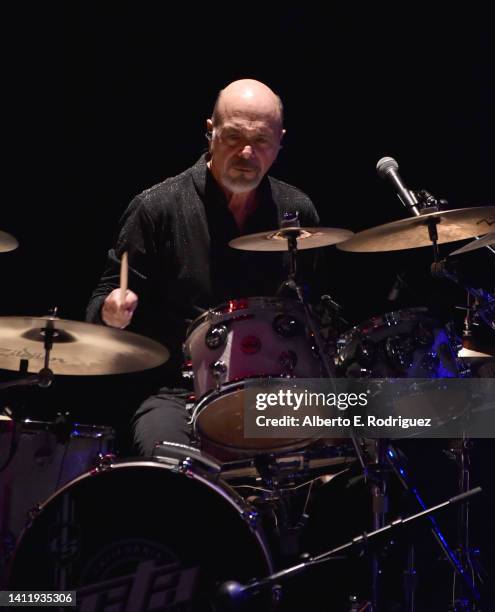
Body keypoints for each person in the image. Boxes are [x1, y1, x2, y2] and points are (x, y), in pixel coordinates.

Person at [86, 78, 321, 456]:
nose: (246, 152)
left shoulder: (297, 212)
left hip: (273, 392)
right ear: (210, 131)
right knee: (174, 469)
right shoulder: (157, 208)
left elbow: (314, 306)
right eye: (233, 137)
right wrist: (110, 311)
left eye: (261, 141)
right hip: (177, 393)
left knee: (358, 447)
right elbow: (101, 300)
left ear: (280, 142)